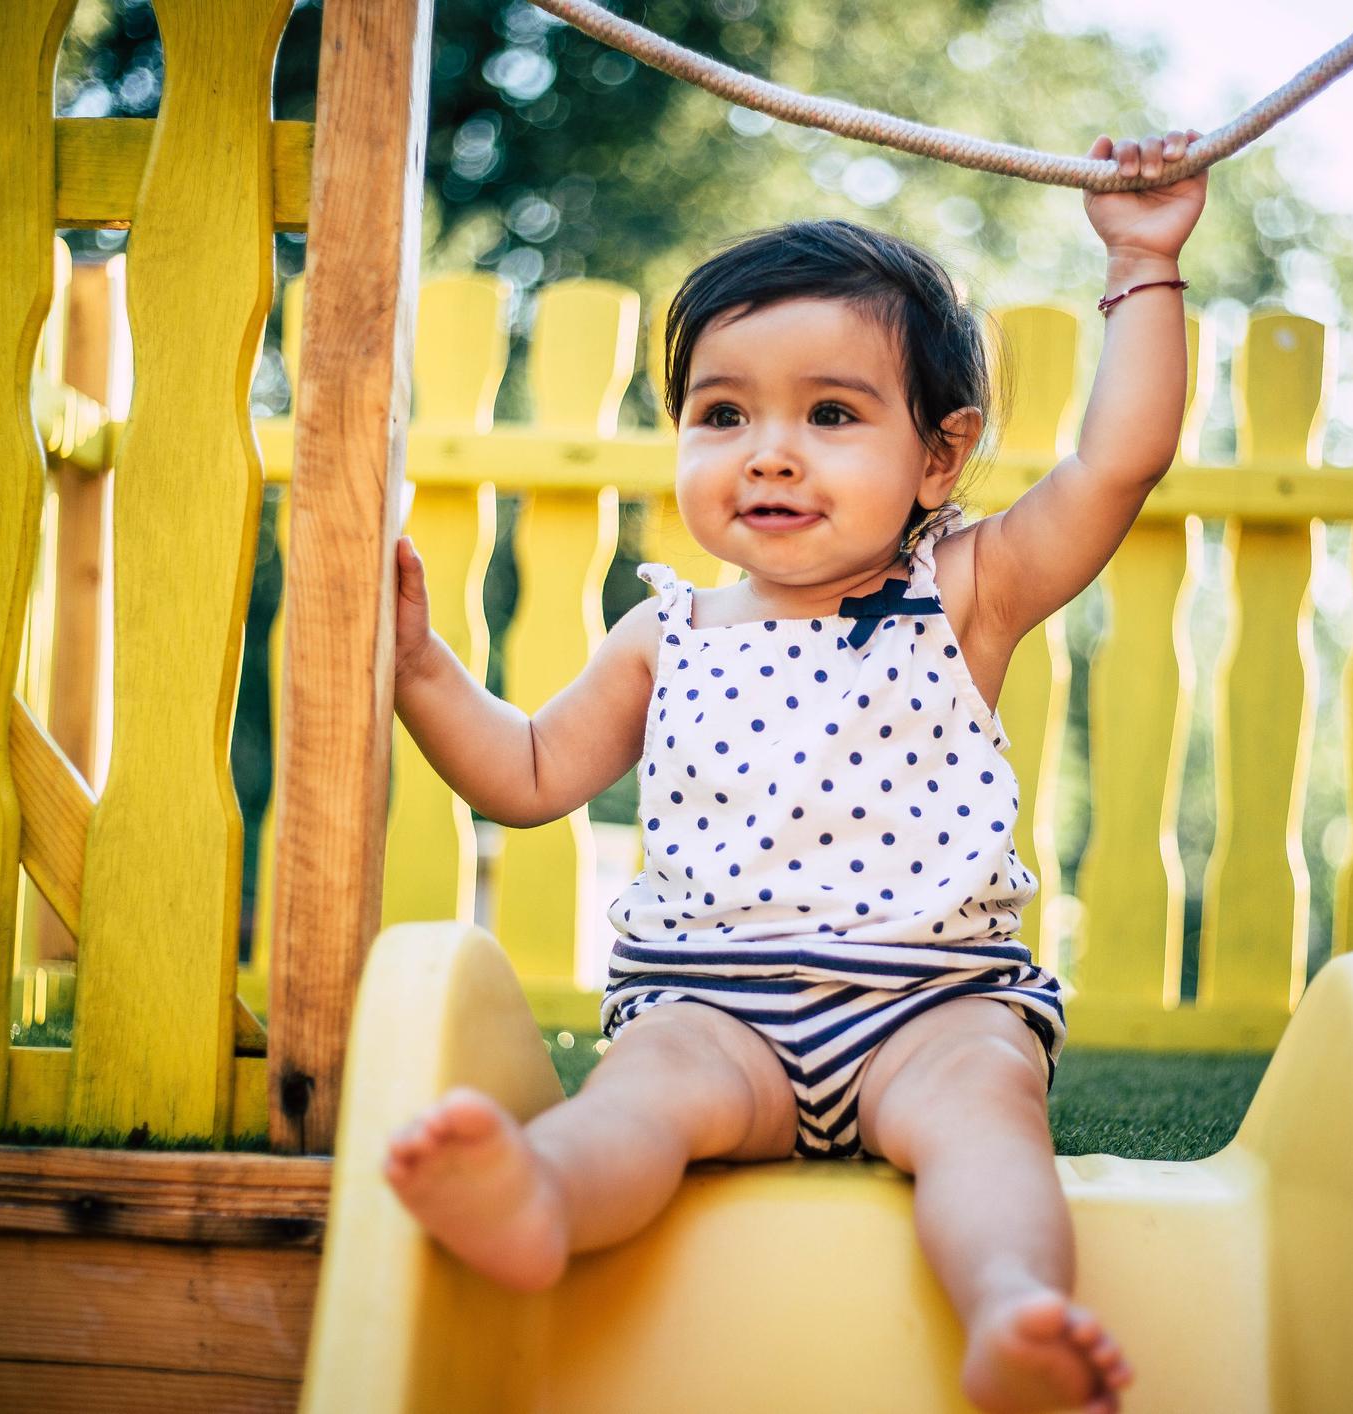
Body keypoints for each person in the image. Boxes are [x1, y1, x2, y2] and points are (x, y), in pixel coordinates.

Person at [384, 131, 1206, 1414]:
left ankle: (1011, 1310)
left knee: (989, 1110)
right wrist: (423, 668)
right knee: (639, 1095)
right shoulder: (666, 633)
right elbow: (531, 771)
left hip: (929, 1008)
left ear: (938, 458)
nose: (769, 452)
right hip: (711, 1009)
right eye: (724, 414)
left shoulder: (965, 588)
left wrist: (1144, 263)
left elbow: (1117, 464)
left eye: (830, 414)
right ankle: (541, 1198)